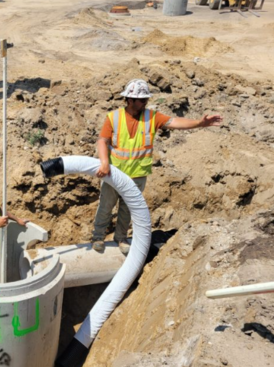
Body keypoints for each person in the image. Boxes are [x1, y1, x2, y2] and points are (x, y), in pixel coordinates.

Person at [92, 79, 223, 255]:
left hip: (137, 174)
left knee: (127, 209)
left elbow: (175, 122)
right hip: (114, 173)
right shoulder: (114, 117)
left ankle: (121, 238)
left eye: (146, 99)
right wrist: (104, 163)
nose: (146, 102)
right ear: (130, 100)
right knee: (106, 205)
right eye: (142, 100)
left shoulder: (151, 117)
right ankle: (98, 237)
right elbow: (103, 141)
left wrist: (199, 123)